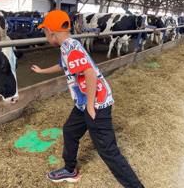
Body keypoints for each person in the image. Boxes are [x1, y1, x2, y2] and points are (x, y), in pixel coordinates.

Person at [31, 10, 144, 187]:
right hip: (84, 101)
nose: (45, 36)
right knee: (70, 130)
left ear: (51, 32)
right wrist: (42, 71)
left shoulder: (71, 48)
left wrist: (91, 106)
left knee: (108, 151)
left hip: (95, 103)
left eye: (45, 31)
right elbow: (63, 65)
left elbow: (89, 73)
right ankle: (70, 169)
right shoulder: (68, 45)